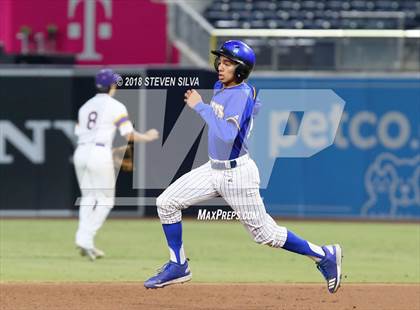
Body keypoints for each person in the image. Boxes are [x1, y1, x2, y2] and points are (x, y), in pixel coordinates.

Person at [144, 40, 342, 293]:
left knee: (265, 235)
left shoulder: (239, 94)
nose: (221, 66)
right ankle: (178, 265)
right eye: (221, 61)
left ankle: (324, 255)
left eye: (228, 63)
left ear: (241, 70)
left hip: (237, 175)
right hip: (213, 169)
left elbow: (227, 134)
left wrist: (200, 106)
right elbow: (243, 113)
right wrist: (250, 111)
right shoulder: (224, 87)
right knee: (166, 202)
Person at [74, 68, 159, 261]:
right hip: (99, 152)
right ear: (112, 86)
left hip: (82, 151)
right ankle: (85, 238)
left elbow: (80, 132)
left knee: (88, 197)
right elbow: (128, 134)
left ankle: (84, 239)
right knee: (105, 200)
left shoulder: (85, 106)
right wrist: (147, 136)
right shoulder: (115, 105)